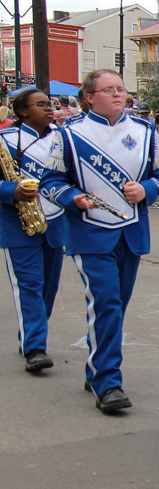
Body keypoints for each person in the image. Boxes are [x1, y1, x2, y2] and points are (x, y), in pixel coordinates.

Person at [40, 69, 159, 411]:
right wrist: (73, 198)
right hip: (89, 232)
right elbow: (49, 182)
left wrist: (147, 190)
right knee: (106, 304)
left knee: (117, 306)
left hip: (131, 232)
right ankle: (108, 383)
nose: (118, 94)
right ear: (89, 97)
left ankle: (96, 366)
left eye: (121, 89)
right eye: (108, 89)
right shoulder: (68, 135)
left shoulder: (145, 131)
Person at [0, 88, 66, 372]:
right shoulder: (4, 141)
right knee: (29, 284)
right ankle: (35, 347)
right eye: (41, 105)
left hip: (55, 221)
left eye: (50, 104)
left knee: (48, 288)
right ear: (22, 111)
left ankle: (30, 333)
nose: (50, 108)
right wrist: (9, 190)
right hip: (18, 223)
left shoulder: (65, 139)